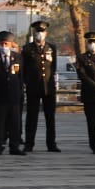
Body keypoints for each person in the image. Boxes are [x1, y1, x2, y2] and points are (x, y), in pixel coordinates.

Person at [0, 31, 25, 156]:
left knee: (15, 122)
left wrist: (19, 90)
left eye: (6, 43)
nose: (4, 46)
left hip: (14, 96)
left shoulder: (18, 57)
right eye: (1, 43)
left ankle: (14, 146)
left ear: (11, 44)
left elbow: (21, 76)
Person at [22, 19, 60, 152]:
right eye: (38, 31)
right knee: (32, 117)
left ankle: (51, 144)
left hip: (48, 87)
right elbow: (24, 69)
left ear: (46, 33)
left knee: (50, 117)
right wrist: (26, 83)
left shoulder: (51, 48)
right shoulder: (27, 49)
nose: (40, 34)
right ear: (34, 32)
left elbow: (53, 67)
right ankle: (29, 143)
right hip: (33, 87)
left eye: (42, 31)